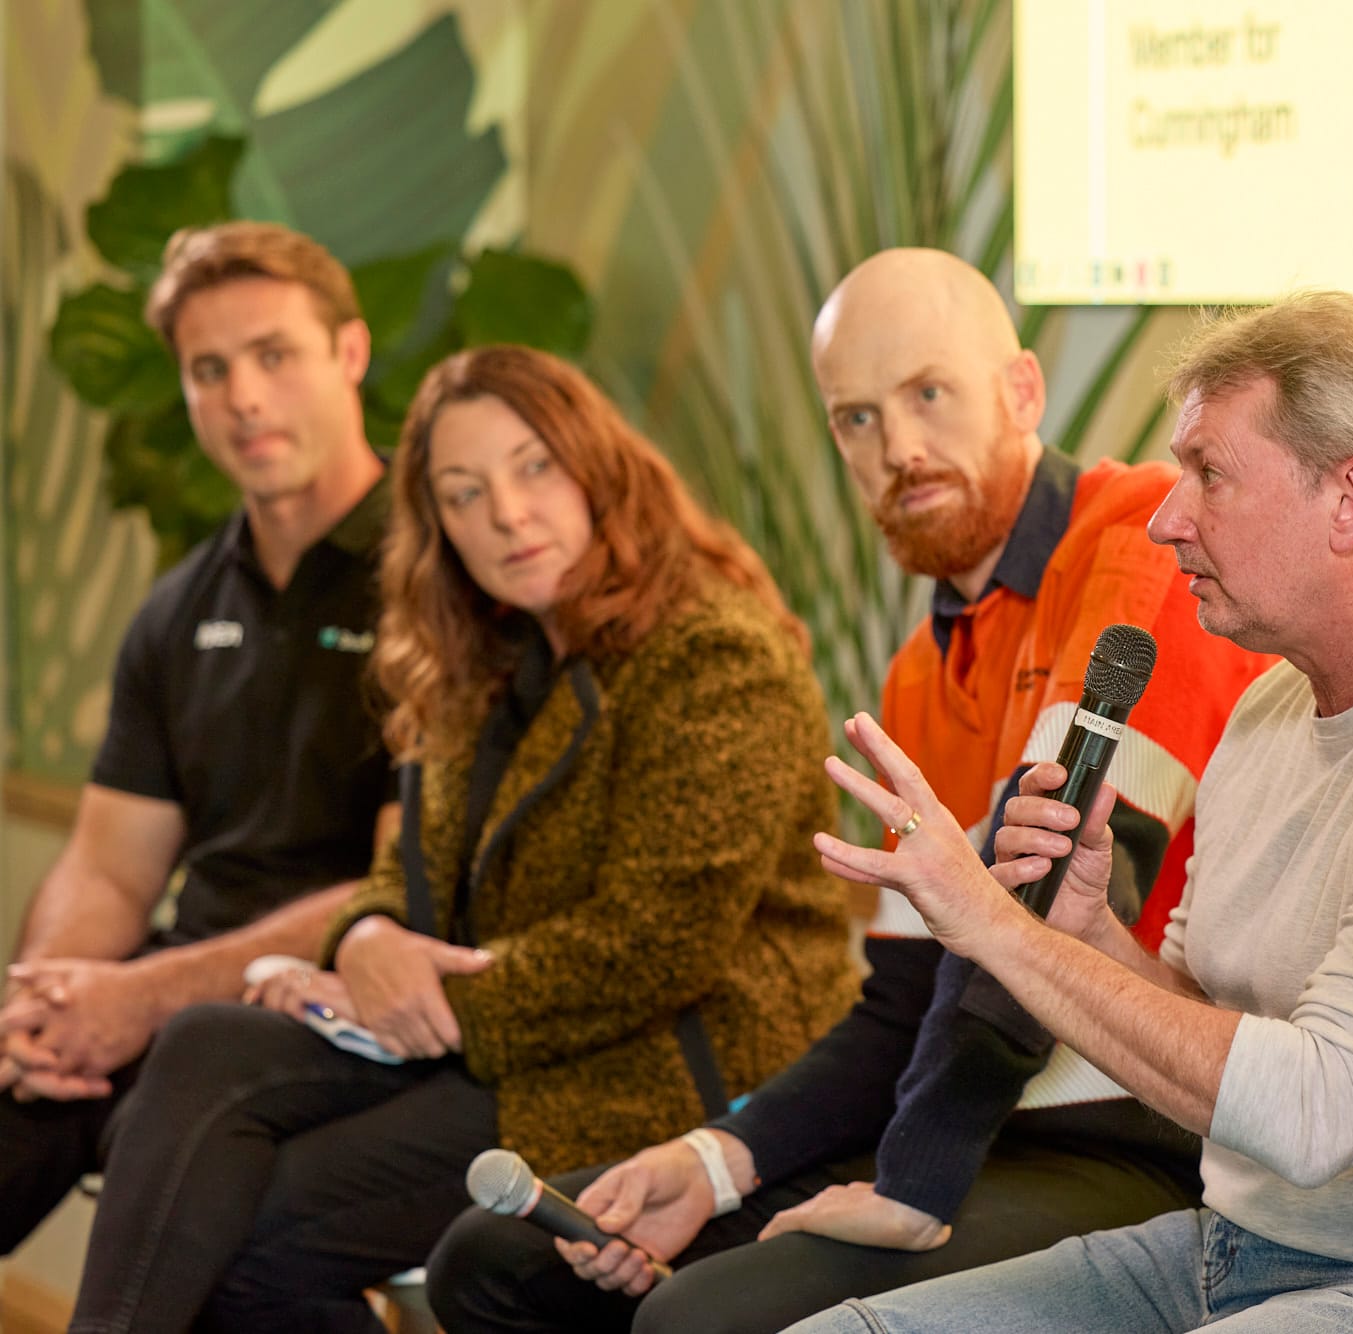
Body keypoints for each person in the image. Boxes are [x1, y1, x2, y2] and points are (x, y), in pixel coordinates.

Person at [425, 249, 1275, 1333]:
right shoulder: (919, 671)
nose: (898, 448)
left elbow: (1037, 917)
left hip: (1126, 1135)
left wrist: (912, 1178)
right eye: (857, 419)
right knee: (496, 1260)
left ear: (1020, 391)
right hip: (959, 1117)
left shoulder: (1139, 539)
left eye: (929, 394)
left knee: (697, 1320)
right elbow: (901, 999)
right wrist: (716, 1159)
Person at [785, 292, 1353, 1333]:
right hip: (1217, 1244)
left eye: (1209, 474)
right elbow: (1199, 1014)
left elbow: (1321, 1113)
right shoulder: (1266, 708)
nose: (1165, 518)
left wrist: (999, 929)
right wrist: (1090, 931)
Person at [64, 345, 858, 1333]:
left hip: (661, 1063)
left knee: (250, 1234)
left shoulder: (715, 653)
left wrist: (414, 995)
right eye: (464, 493)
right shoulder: (486, 654)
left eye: (535, 467)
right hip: (504, 1040)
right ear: (437, 523)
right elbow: (408, 875)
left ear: (598, 469)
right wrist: (364, 939)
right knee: (205, 1041)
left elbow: (655, 944)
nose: (507, 515)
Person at [0, 221, 397, 1254]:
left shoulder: (439, 581)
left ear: (350, 352)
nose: (244, 398)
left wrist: (141, 997)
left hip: (338, 1007)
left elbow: (403, 885)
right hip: (172, 994)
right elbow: (107, 866)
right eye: (210, 370)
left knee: (182, 1171)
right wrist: (43, 1005)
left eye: (274, 355)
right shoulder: (177, 609)